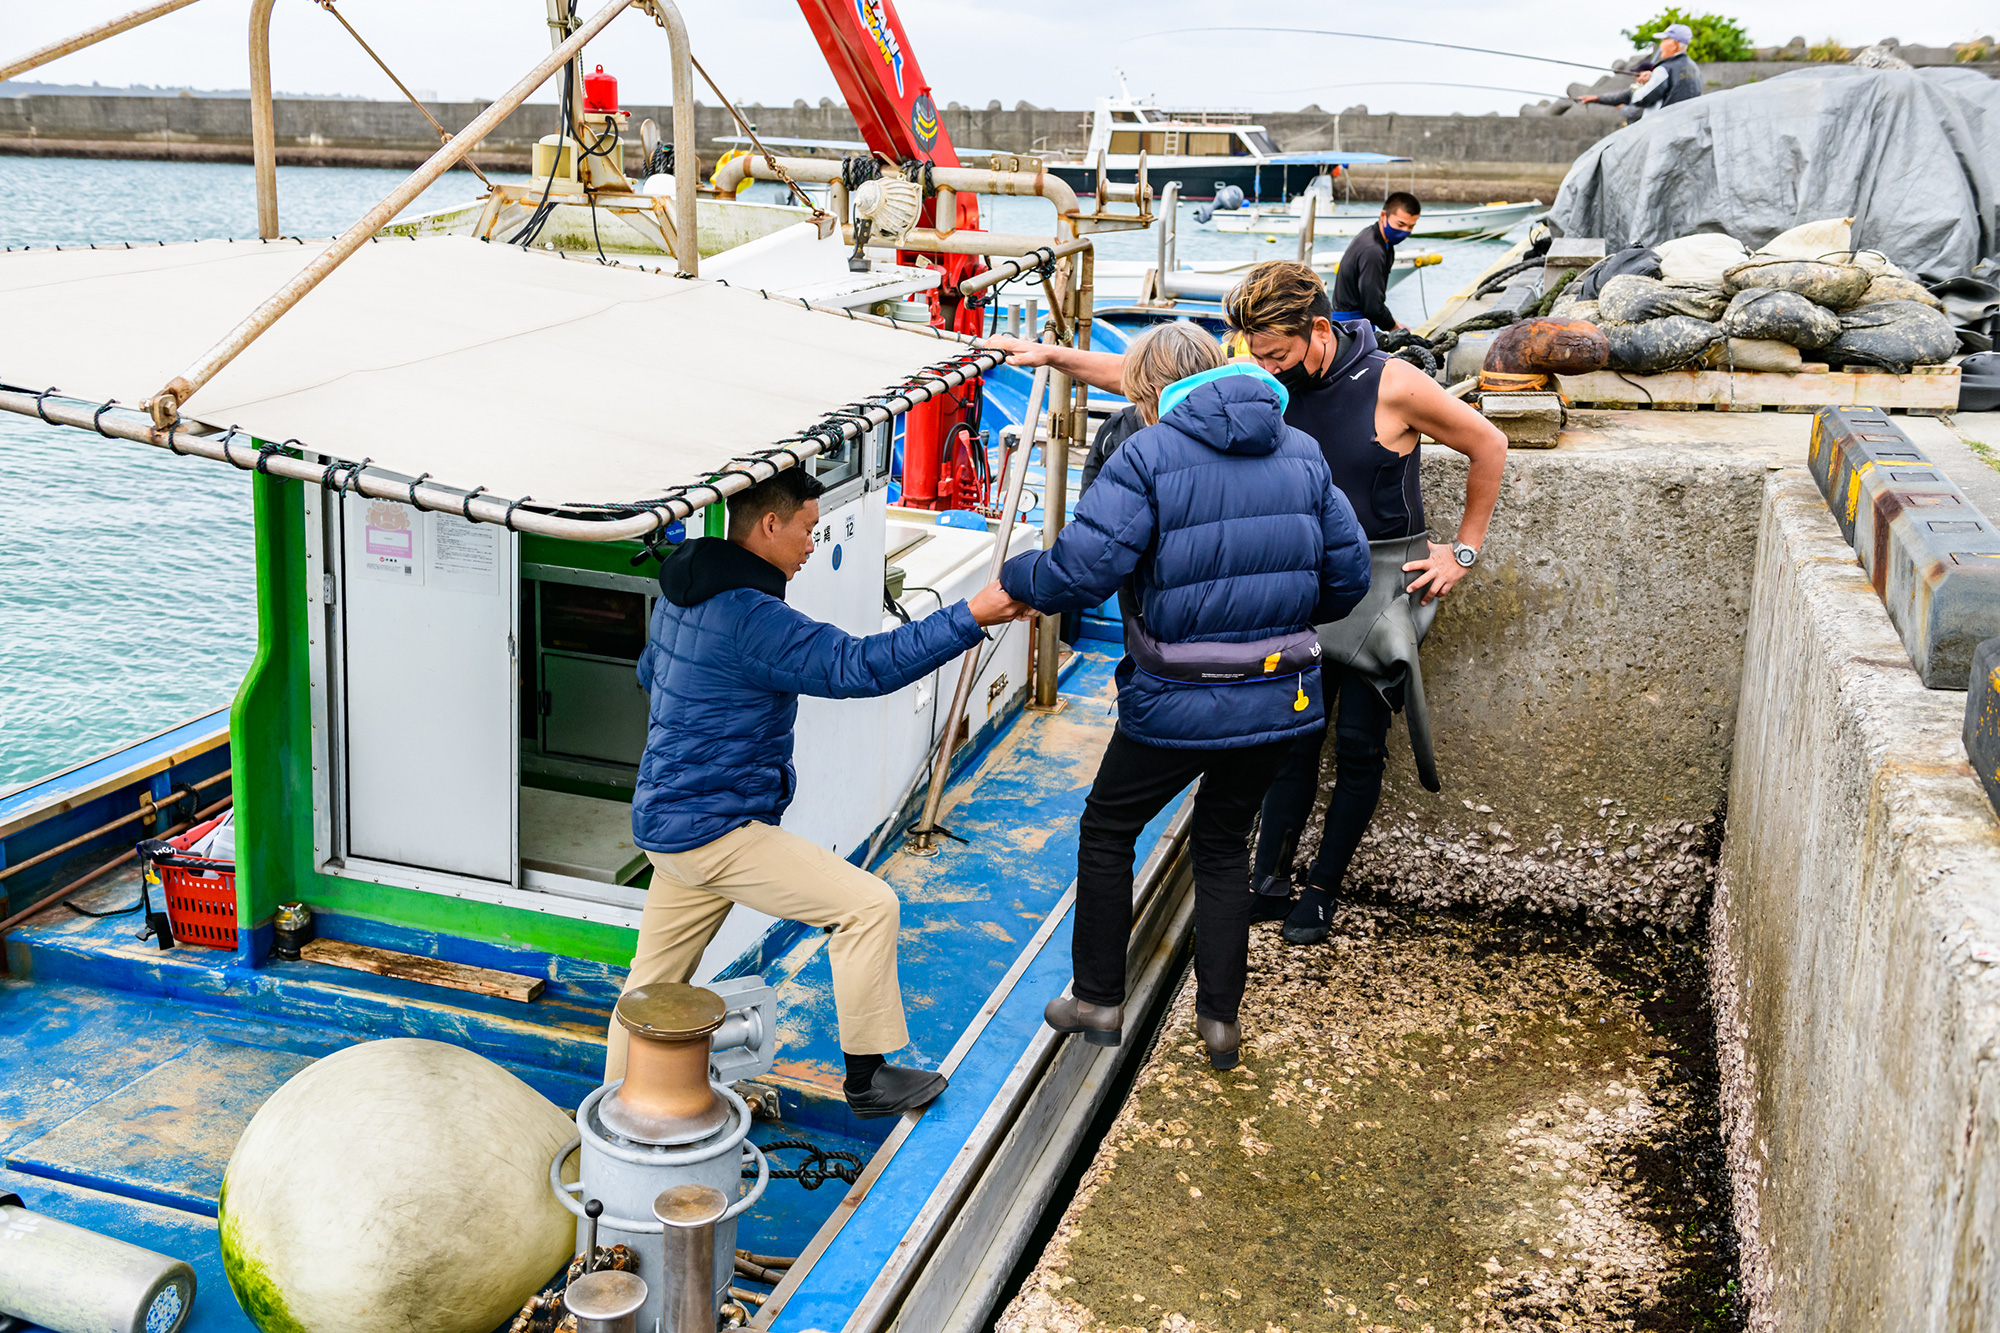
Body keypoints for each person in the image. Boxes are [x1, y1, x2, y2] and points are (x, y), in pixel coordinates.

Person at [988, 260, 1505, 947]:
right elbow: (1155, 384)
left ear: (1317, 329)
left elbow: (1487, 442)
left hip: (1379, 583)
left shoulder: (1393, 383)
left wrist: (1461, 553)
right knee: (1290, 739)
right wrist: (1054, 355)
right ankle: (1268, 878)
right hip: (1299, 578)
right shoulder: (1263, 368)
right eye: (1253, 352)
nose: (1261, 365)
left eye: (1274, 353)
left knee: (1358, 744)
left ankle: (1320, 891)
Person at [997, 322, 1372, 1070]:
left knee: (1109, 826)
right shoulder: (1299, 448)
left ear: (1150, 394)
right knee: (1224, 845)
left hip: (1174, 694)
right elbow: (1350, 576)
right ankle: (1220, 1023)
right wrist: (1271, 627)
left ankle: (1100, 996)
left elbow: (1078, 575)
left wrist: (1014, 580)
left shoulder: (1148, 452)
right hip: (1278, 700)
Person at [615, 466, 1030, 1119]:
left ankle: (615, 1114)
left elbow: (650, 673)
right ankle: (868, 1078)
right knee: (867, 906)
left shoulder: (682, 597)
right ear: (770, 524)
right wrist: (972, 615)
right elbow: (860, 666)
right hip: (718, 830)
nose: (814, 542)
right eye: (809, 528)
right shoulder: (753, 617)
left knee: (649, 986)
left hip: (666, 821)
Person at [1330, 192, 1421, 332]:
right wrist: (1395, 328)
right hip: (1349, 324)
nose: (1405, 232)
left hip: (1360, 318)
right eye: (1400, 224)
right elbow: (1372, 307)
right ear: (1383, 215)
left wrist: (1394, 323)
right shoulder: (1373, 251)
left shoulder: (1381, 240)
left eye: (1411, 227)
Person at [1578, 23, 1702, 118]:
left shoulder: (1664, 70)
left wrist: (1644, 84)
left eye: (1664, 40)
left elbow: (1638, 98)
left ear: (1674, 44)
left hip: (1660, 128)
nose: (1661, 45)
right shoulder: (1694, 68)